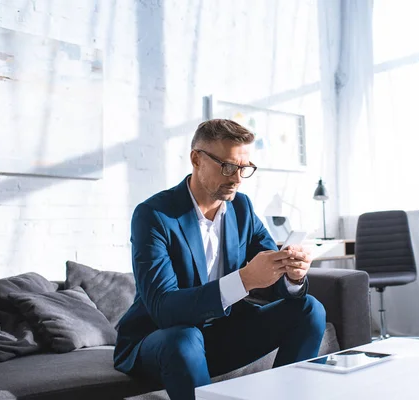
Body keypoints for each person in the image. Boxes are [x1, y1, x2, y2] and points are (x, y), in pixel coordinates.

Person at [114, 119, 326, 400]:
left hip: (224, 335)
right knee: (184, 338)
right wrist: (245, 280)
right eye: (227, 166)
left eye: (244, 168)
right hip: (162, 339)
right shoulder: (154, 216)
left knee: (309, 309)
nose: (237, 178)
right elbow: (163, 308)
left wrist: (291, 274)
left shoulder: (241, 208)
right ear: (196, 159)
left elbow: (270, 274)